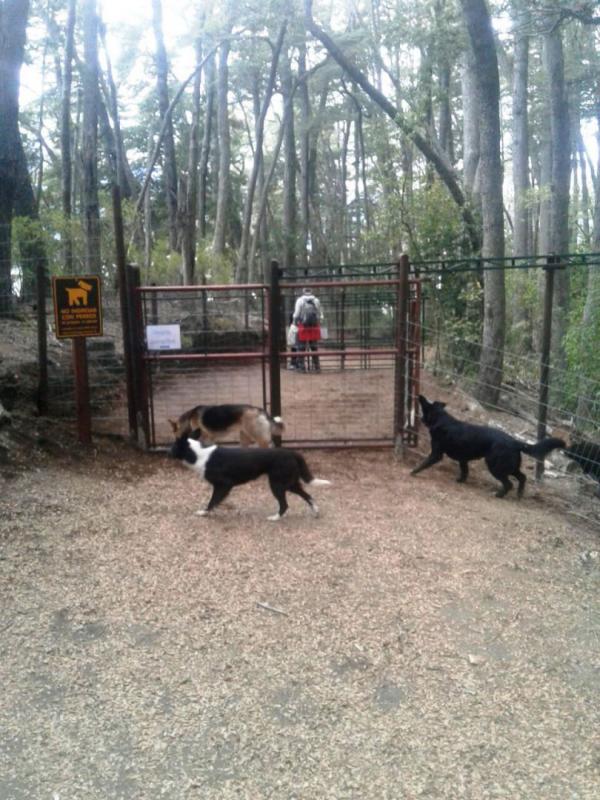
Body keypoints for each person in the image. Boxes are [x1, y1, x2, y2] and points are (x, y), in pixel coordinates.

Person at [292, 288, 322, 372]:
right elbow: (319, 313)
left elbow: (297, 314)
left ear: (303, 292)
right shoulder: (316, 300)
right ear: (311, 292)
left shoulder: (300, 300)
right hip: (314, 326)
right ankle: (317, 367)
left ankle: (302, 368)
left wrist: (294, 322)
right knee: (314, 347)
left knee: (301, 347)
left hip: (303, 326)